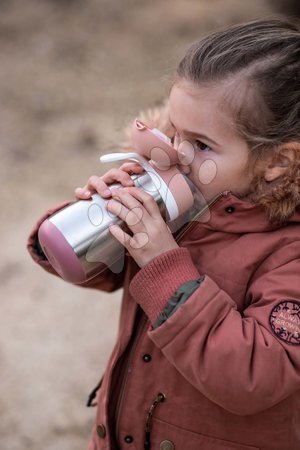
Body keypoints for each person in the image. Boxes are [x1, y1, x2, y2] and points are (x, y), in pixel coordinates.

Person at [27, 18, 300, 450]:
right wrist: (96, 215)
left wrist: (162, 264)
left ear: (277, 164)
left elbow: (255, 377)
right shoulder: (186, 206)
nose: (175, 154)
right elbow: (94, 271)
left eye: (202, 145)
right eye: (174, 131)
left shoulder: (289, 252)